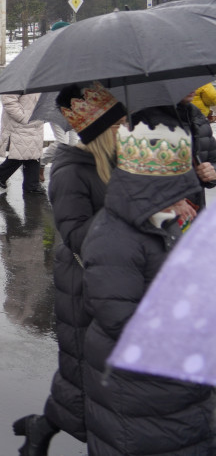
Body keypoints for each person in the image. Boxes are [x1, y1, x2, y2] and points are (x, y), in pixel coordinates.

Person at [80, 120, 214, 455]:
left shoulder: (165, 222)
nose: (186, 197)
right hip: (141, 398)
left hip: (172, 393)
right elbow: (120, 320)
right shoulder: (114, 237)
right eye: (177, 188)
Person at [12, 82, 127, 454]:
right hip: (84, 284)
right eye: (115, 125)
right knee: (88, 372)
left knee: (87, 373)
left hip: (114, 279)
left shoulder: (120, 161)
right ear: (98, 130)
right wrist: (128, 204)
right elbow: (77, 235)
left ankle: (42, 426)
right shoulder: (70, 171)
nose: (123, 129)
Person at [0, 93, 46, 194]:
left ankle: (31, 184)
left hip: (35, 122)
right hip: (22, 124)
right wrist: (24, 118)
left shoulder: (38, 79)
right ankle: (3, 172)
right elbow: (9, 100)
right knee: (22, 152)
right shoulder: (19, 79)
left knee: (32, 152)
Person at [176, 87, 216, 208]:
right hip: (164, 214)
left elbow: (213, 160)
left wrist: (211, 172)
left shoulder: (197, 116)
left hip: (195, 207)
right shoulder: (150, 122)